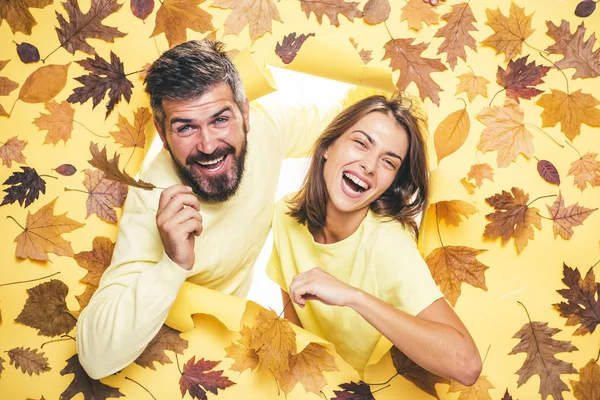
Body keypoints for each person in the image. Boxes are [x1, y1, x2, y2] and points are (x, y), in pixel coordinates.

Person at [76, 39, 350, 379]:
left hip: (239, 349)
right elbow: (96, 357)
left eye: (220, 120)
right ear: (162, 132)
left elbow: (345, 120)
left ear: (244, 113)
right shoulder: (153, 200)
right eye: (186, 127)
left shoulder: (266, 126)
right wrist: (173, 263)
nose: (208, 146)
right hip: (181, 363)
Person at [266, 94, 482, 384]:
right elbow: (296, 327)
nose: (369, 165)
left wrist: (353, 297)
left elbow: (466, 365)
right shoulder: (285, 216)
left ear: (392, 182)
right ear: (329, 145)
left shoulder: (389, 245)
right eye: (361, 143)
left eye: (388, 162)